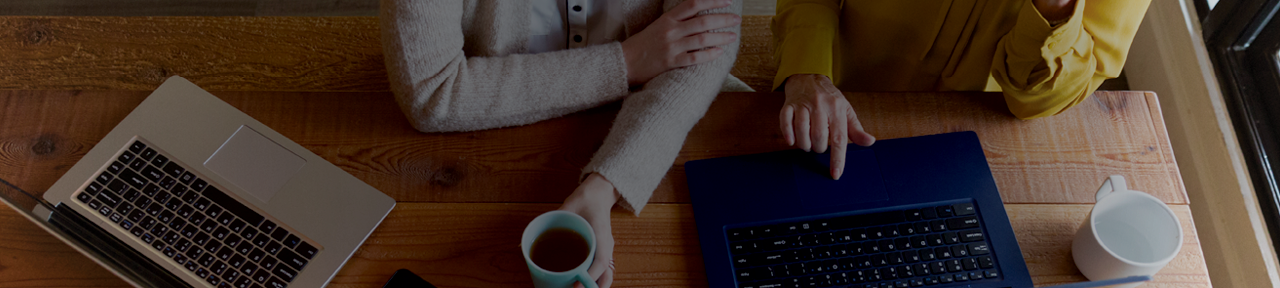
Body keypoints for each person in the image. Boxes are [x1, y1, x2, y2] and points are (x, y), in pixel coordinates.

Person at [379, 0, 744, 287]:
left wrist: (607, 183)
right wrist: (627, 61)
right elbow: (433, 93)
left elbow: (705, 46)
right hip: (475, 143)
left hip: (646, 124)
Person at [771, 0, 1152, 179]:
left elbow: (1048, 100)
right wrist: (807, 69)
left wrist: (1055, 8)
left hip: (980, 141)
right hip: (833, 91)